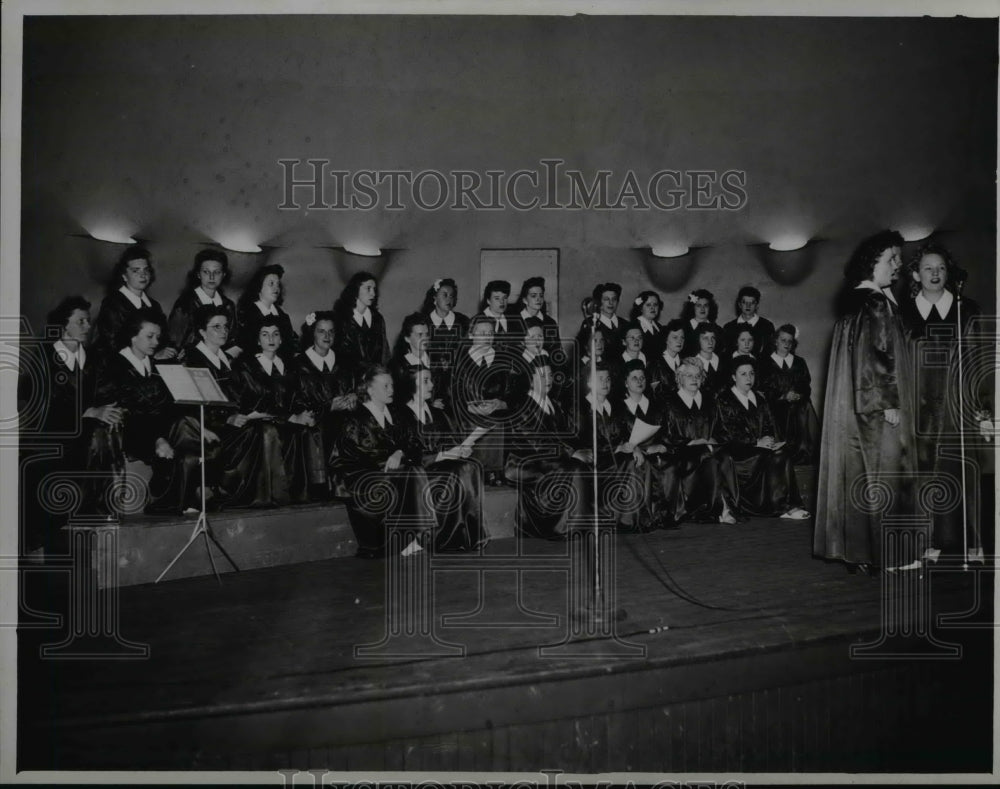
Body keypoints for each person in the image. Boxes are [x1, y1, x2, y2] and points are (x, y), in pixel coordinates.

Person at [813, 230, 918, 574]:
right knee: (888, 473)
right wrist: (889, 401)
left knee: (859, 475)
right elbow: (879, 356)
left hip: (853, 407)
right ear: (872, 262)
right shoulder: (874, 304)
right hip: (877, 406)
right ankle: (892, 555)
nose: (897, 266)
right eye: (891, 259)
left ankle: (860, 553)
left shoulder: (856, 302)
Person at [899, 243, 984, 561]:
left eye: (941, 268)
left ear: (948, 272)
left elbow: (976, 361)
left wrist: (983, 407)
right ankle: (929, 541)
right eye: (927, 268)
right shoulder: (903, 313)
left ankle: (972, 541)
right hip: (918, 407)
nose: (935, 274)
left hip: (955, 406)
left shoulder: (967, 309)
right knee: (923, 473)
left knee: (961, 470)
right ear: (916, 274)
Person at [19, 297, 122, 548]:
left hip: (82, 429)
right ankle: (77, 516)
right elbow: (44, 404)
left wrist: (112, 410)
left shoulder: (92, 358)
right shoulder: (44, 357)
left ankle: (93, 509)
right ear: (64, 326)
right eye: (80, 321)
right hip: (49, 434)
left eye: (88, 321)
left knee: (103, 433)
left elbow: (105, 392)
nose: (87, 326)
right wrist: (88, 411)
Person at [331, 365, 432, 559]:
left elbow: (413, 444)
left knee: (414, 471)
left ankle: (411, 536)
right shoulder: (354, 420)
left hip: (390, 472)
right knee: (410, 474)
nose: (391, 390)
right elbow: (349, 459)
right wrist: (388, 459)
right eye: (385, 386)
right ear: (369, 390)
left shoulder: (396, 414)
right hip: (361, 479)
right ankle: (409, 538)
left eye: (391, 385)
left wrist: (399, 452)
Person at [396, 366, 487, 552]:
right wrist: (441, 455)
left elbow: (449, 441)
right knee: (455, 473)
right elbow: (407, 452)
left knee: (471, 466)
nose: (431, 385)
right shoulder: (401, 414)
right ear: (411, 385)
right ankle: (426, 538)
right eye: (425, 381)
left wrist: (462, 449)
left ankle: (467, 534)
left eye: (430, 380)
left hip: (442, 463)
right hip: (419, 470)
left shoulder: (437, 413)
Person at [714, 355, 809, 520]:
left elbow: (768, 425)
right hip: (737, 454)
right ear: (733, 377)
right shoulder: (724, 400)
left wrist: (770, 440)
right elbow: (728, 433)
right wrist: (756, 442)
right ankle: (780, 507)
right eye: (743, 374)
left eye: (751, 373)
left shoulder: (759, 398)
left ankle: (789, 506)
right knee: (769, 457)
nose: (748, 377)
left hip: (759, 449)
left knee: (782, 455)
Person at [503, 357, 588, 540]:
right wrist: (572, 453)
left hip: (548, 458)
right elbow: (537, 443)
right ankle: (564, 527)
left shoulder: (553, 405)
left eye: (550, 374)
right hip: (525, 463)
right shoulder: (522, 407)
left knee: (583, 464)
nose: (548, 379)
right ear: (530, 379)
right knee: (574, 467)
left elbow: (565, 436)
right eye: (542, 375)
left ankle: (577, 524)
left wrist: (580, 450)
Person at [658, 358, 739, 525]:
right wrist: (689, 442)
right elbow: (665, 434)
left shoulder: (710, 401)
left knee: (725, 457)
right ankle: (719, 509)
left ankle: (727, 507)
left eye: (698, 375)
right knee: (708, 457)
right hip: (683, 453)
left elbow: (723, 430)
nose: (694, 379)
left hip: (710, 449)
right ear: (679, 378)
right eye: (689, 375)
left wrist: (714, 439)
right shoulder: (669, 402)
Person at [573, 364, 651, 531]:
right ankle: (625, 521)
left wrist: (635, 446)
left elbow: (629, 432)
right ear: (588, 382)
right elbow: (581, 441)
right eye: (600, 379)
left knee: (636, 459)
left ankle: (631, 518)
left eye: (608, 379)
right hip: (595, 461)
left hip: (615, 457)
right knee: (627, 461)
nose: (605, 383)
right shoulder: (580, 408)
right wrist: (616, 449)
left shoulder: (616, 406)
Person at [290, 311, 356, 499]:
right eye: (321, 331)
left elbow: (357, 388)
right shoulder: (299, 364)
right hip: (314, 420)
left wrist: (353, 397)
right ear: (312, 333)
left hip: (344, 417)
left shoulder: (344, 362)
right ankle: (324, 489)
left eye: (331, 332)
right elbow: (296, 401)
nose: (327, 337)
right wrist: (327, 407)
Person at [451, 315, 512, 486]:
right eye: (482, 333)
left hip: (497, 416)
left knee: (497, 422)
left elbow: (510, 393)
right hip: (466, 416)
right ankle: (474, 475)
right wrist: (469, 408)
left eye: (490, 333)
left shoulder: (502, 360)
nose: (487, 337)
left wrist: (500, 403)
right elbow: (452, 394)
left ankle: (495, 474)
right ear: (471, 335)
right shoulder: (460, 361)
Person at [92, 246, 175, 364]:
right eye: (135, 271)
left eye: (146, 270)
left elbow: (162, 337)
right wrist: (154, 354)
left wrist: (170, 350)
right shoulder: (113, 303)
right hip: (116, 367)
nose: (143, 275)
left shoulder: (154, 305)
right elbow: (112, 344)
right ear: (124, 276)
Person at [758, 323, 819, 464]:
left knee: (805, 408)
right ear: (776, 341)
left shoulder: (799, 362)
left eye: (790, 341)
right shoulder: (765, 362)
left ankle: (804, 456)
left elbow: (806, 386)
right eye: (783, 340)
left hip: (797, 407)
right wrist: (783, 396)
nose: (786, 344)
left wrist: (799, 395)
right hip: (774, 407)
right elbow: (763, 388)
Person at [167, 249, 239, 360]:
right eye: (206, 272)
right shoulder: (186, 303)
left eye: (217, 272)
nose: (211, 277)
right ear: (198, 274)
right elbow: (174, 341)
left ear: (224, 274)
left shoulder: (228, 305)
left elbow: (233, 339)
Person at [332, 272, 391, 388]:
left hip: (375, 382)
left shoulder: (377, 319)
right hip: (350, 383)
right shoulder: (342, 318)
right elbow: (341, 357)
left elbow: (384, 351)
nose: (373, 293)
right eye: (368, 288)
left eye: (374, 289)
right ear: (355, 289)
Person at [421, 278, 469, 405]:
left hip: (458, 386)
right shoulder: (423, 322)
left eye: (452, 296)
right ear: (434, 297)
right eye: (445, 295)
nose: (449, 299)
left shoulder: (463, 322)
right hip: (430, 386)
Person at [236, 263, 298, 361]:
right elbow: (242, 347)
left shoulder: (283, 316)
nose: (276, 288)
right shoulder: (247, 315)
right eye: (271, 284)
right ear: (259, 287)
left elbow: (290, 344)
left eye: (277, 284)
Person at [513, 277, 561, 358]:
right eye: (533, 296)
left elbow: (556, 350)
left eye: (541, 295)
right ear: (524, 300)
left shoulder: (550, 322)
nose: (538, 299)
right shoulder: (514, 322)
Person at [722, 286, 776, 357]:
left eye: (752, 303)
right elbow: (727, 353)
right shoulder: (729, 327)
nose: (748, 306)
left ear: (757, 305)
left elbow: (769, 353)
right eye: (744, 302)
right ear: (739, 304)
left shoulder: (767, 326)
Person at [577, 282, 625, 353]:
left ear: (617, 301)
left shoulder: (625, 324)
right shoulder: (590, 323)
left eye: (614, 299)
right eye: (606, 299)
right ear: (598, 302)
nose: (611, 303)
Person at [649, 318, 687, 400]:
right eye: (675, 337)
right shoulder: (655, 364)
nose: (679, 341)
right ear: (666, 339)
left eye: (682, 338)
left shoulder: (685, 362)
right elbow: (654, 394)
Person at [679, 288, 719, 355]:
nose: (702, 309)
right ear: (693, 308)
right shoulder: (682, 327)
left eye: (705, 305)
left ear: (710, 308)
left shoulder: (717, 329)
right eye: (698, 305)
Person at [629, 290, 665, 359]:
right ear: (641, 308)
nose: (652, 308)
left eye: (655, 304)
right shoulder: (633, 327)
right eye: (648, 305)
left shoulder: (660, 328)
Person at [692, 322, 725, 397]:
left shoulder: (724, 361)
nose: (710, 342)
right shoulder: (692, 364)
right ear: (698, 340)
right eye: (705, 338)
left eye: (713, 338)